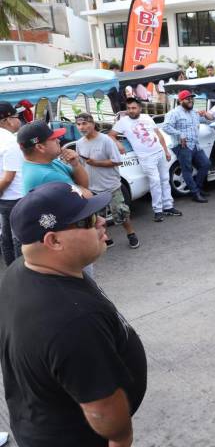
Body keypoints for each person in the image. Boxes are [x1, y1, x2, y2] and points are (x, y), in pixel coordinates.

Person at [0, 181, 147, 447]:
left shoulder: (21, 270)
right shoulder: (72, 321)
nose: (102, 221)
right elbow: (102, 410)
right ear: (53, 241)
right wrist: (121, 438)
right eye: (88, 220)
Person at [75, 113, 140, 249]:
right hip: (92, 188)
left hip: (111, 186)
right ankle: (107, 238)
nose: (81, 127)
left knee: (121, 213)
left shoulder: (105, 140)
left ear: (92, 124)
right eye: (79, 124)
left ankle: (131, 234)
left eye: (84, 124)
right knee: (99, 217)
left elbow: (117, 161)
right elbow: (81, 165)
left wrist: (96, 163)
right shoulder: (79, 144)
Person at [111, 98, 181, 222]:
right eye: (128, 108)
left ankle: (168, 206)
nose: (131, 111)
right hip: (146, 157)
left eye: (133, 108)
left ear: (139, 108)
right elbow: (110, 135)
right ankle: (158, 211)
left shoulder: (147, 117)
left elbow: (158, 134)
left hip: (159, 152)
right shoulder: (122, 122)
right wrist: (118, 143)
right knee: (155, 182)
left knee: (165, 180)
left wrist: (165, 150)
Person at [162, 90, 213, 203]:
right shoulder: (174, 113)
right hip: (182, 145)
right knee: (187, 169)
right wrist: (179, 134)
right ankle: (195, 193)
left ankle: (198, 188)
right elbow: (165, 127)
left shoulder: (194, 112)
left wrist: (205, 113)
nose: (190, 100)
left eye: (191, 98)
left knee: (206, 164)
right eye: (187, 99)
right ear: (181, 101)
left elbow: (209, 120)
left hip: (194, 144)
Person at [19, 120, 88, 193]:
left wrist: (75, 164)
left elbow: (84, 186)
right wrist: (81, 188)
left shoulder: (47, 161)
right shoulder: (47, 175)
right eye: (53, 139)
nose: (58, 141)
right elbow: (86, 194)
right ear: (40, 147)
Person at [0, 102, 24, 266]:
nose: (19, 121)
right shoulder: (10, 142)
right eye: (17, 117)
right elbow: (9, 177)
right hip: (15, 197)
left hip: (4, 198)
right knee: (20, 241)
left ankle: (11, 273)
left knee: (6, 238)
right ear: (7, 120)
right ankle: (22, 277)